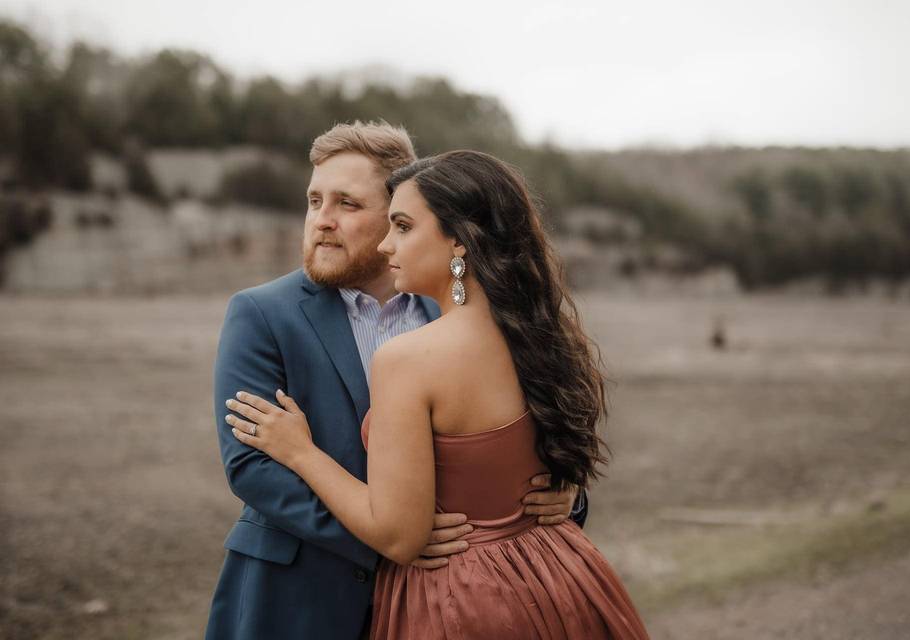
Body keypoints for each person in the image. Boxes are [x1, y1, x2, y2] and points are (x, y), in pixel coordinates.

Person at [227, 149, 650, 638]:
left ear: (460, 242)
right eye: (314, 201)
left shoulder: (407, 359)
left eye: (402, 227)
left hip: (460, 599)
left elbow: (399, 537)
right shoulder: (539, 334)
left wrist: (301, 452)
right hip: (562, 578)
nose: (388, 246)